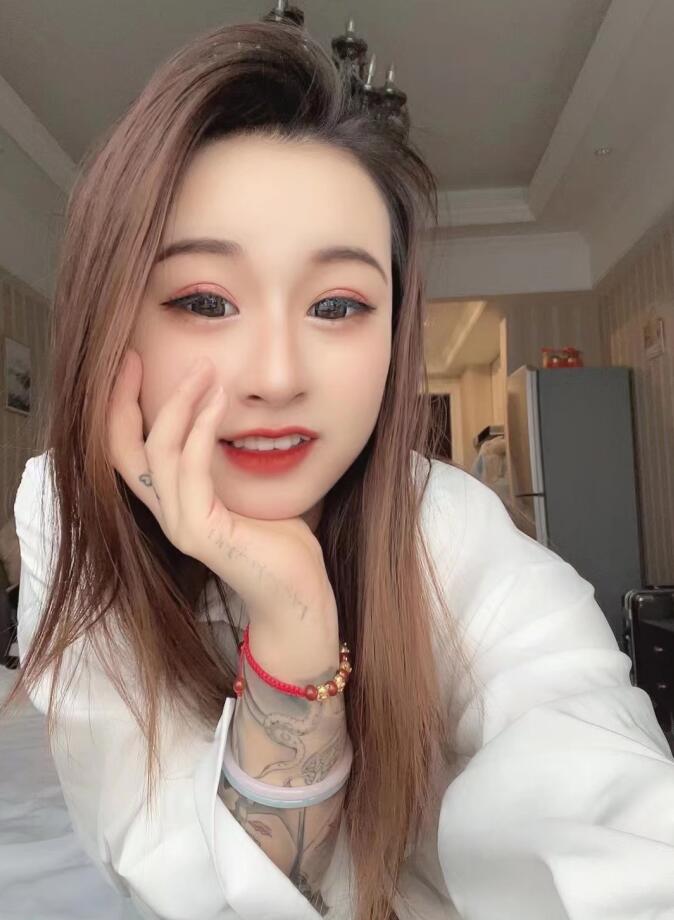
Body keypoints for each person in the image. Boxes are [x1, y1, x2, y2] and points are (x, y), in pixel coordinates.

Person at [3, 19, 674, 920]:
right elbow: (172, 874)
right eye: (204, 300)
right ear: (113, 321)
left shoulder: (448, 528)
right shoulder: (68, 512)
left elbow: (596, 778)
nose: (278, 376)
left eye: (336, 306)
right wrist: (293, 630)